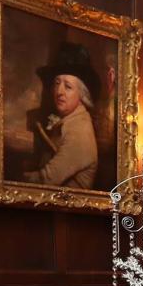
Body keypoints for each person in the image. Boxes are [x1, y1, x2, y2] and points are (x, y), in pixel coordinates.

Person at [22, 42, 100, 189]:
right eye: (57, 84)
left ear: (82, 95)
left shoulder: (80, 131)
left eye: (68, 86)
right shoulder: (69, 122)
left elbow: (46, 179)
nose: (59, 91)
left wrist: (14, 179)